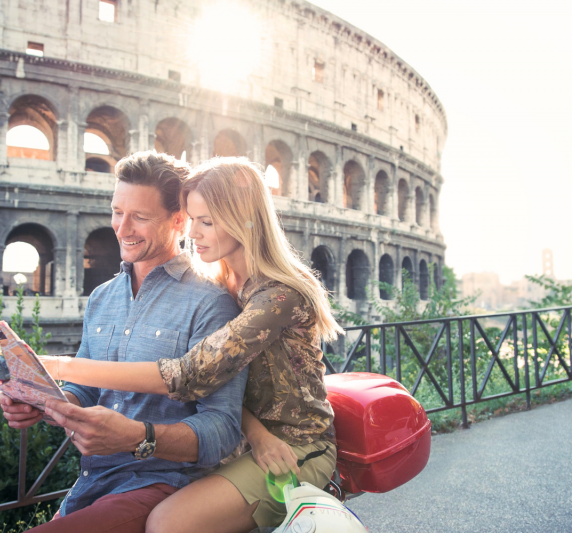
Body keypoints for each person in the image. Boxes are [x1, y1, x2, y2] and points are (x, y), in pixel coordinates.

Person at [40, 157, 344, 532]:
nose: (193, 233)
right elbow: (222, 382)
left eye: (207, 222)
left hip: (297, 448)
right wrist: (255, 432)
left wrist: (57, 365)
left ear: (243, 220)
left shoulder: (277, 297)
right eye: (193, 219)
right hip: (252, 444)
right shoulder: (229, 284)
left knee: (169, 523)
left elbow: (191, 373)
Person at [0, 151, 246, 533]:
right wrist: (44, 402)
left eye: (140, 217)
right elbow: (83, 390)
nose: (122, 227)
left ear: (179, 221)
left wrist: (137, 437)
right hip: (91, 484)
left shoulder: (211, 303)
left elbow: (223, 429)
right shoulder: (101, 298)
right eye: (117, 211)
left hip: (163, 485)